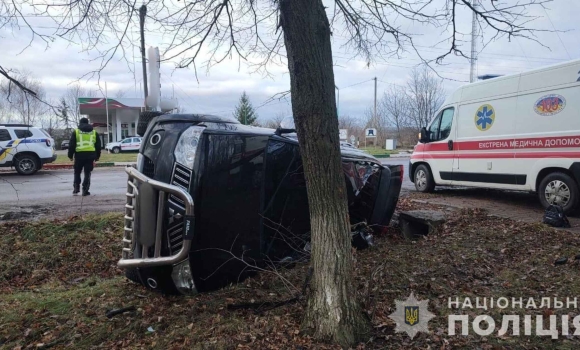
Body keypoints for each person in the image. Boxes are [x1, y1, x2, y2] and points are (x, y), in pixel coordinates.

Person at [68, 118, 101, 196]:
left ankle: (76, 188)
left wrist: (70, 155)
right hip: (90, 155)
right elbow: (98, 146)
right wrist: (97, 156)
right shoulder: (94, 132)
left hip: (79, 155)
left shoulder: (76, 132)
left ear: (80, 123)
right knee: (87, 173)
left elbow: (71, 145)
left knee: (77, 172)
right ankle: (85, 190)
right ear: (88, 123)